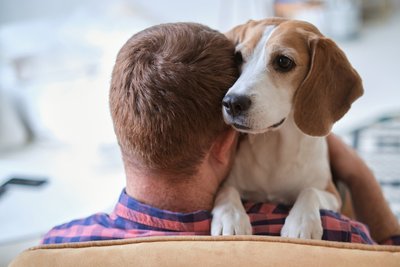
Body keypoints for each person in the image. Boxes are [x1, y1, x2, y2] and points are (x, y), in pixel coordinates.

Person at [42, 22, 400, 245]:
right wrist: (356, 173)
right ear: (225, 142)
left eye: (282, 63)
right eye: (242, 59)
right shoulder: (344, 237)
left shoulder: (52, 245)